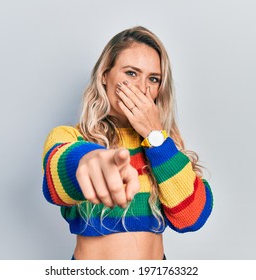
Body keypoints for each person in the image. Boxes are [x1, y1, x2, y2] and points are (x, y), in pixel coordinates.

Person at [42, 26, 213, 260]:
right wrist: (89, 161)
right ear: (105, 75)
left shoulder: (164, 145)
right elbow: (56, 177)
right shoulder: (70, 137)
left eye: (153, 79)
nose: (142, 89)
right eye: (131, 73)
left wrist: (156, 137)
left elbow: (192, 217)